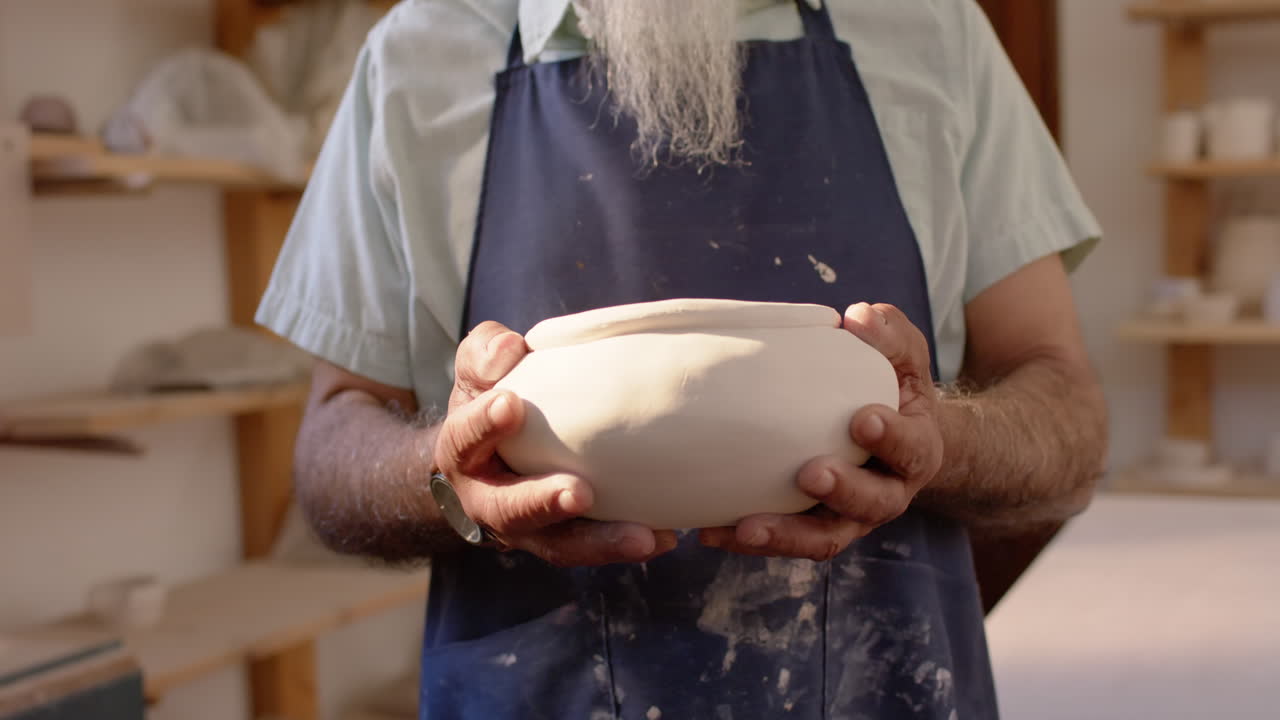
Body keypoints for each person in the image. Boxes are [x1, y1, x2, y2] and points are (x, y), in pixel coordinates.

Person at [256, 0, 1108, 717]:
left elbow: (1064, 404)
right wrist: (445, 473)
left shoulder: (927, 27)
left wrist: (943, 442)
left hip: (884, 686)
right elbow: (332, 446)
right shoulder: (420, 54)